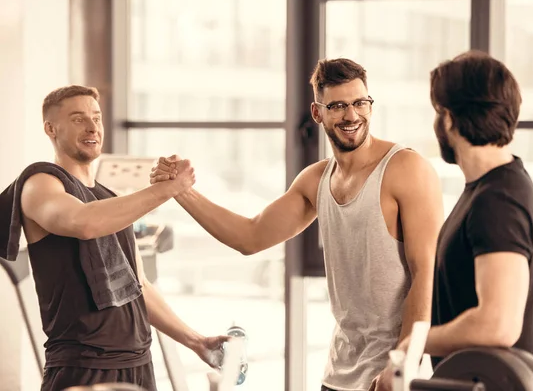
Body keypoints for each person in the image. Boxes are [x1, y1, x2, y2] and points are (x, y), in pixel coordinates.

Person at [150, 58, 445, 391]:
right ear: (318, 113)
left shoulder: (407, 168)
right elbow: (250, 236)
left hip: (394, 375)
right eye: (337, 106)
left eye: (360, 103)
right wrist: (181, 191)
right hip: (340, 373)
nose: (351, 116)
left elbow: (426, 272)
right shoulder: (316, 180)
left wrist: (402, 363)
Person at [2, 85, 228, 391]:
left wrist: (196, 341)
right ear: (51, 128)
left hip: (138, 365)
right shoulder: (41, 182)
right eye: (79, 118)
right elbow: (82, 222)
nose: (93, 126)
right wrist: (167, 189)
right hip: (84, 366)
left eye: (96, 117)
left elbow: (138, 287)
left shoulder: (108, 198)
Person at [392, 50, 533, 379]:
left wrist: (415, 343)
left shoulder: (498, 200)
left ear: (449, 118)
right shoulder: (489, 188)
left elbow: (498, 324)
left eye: (438, 112)